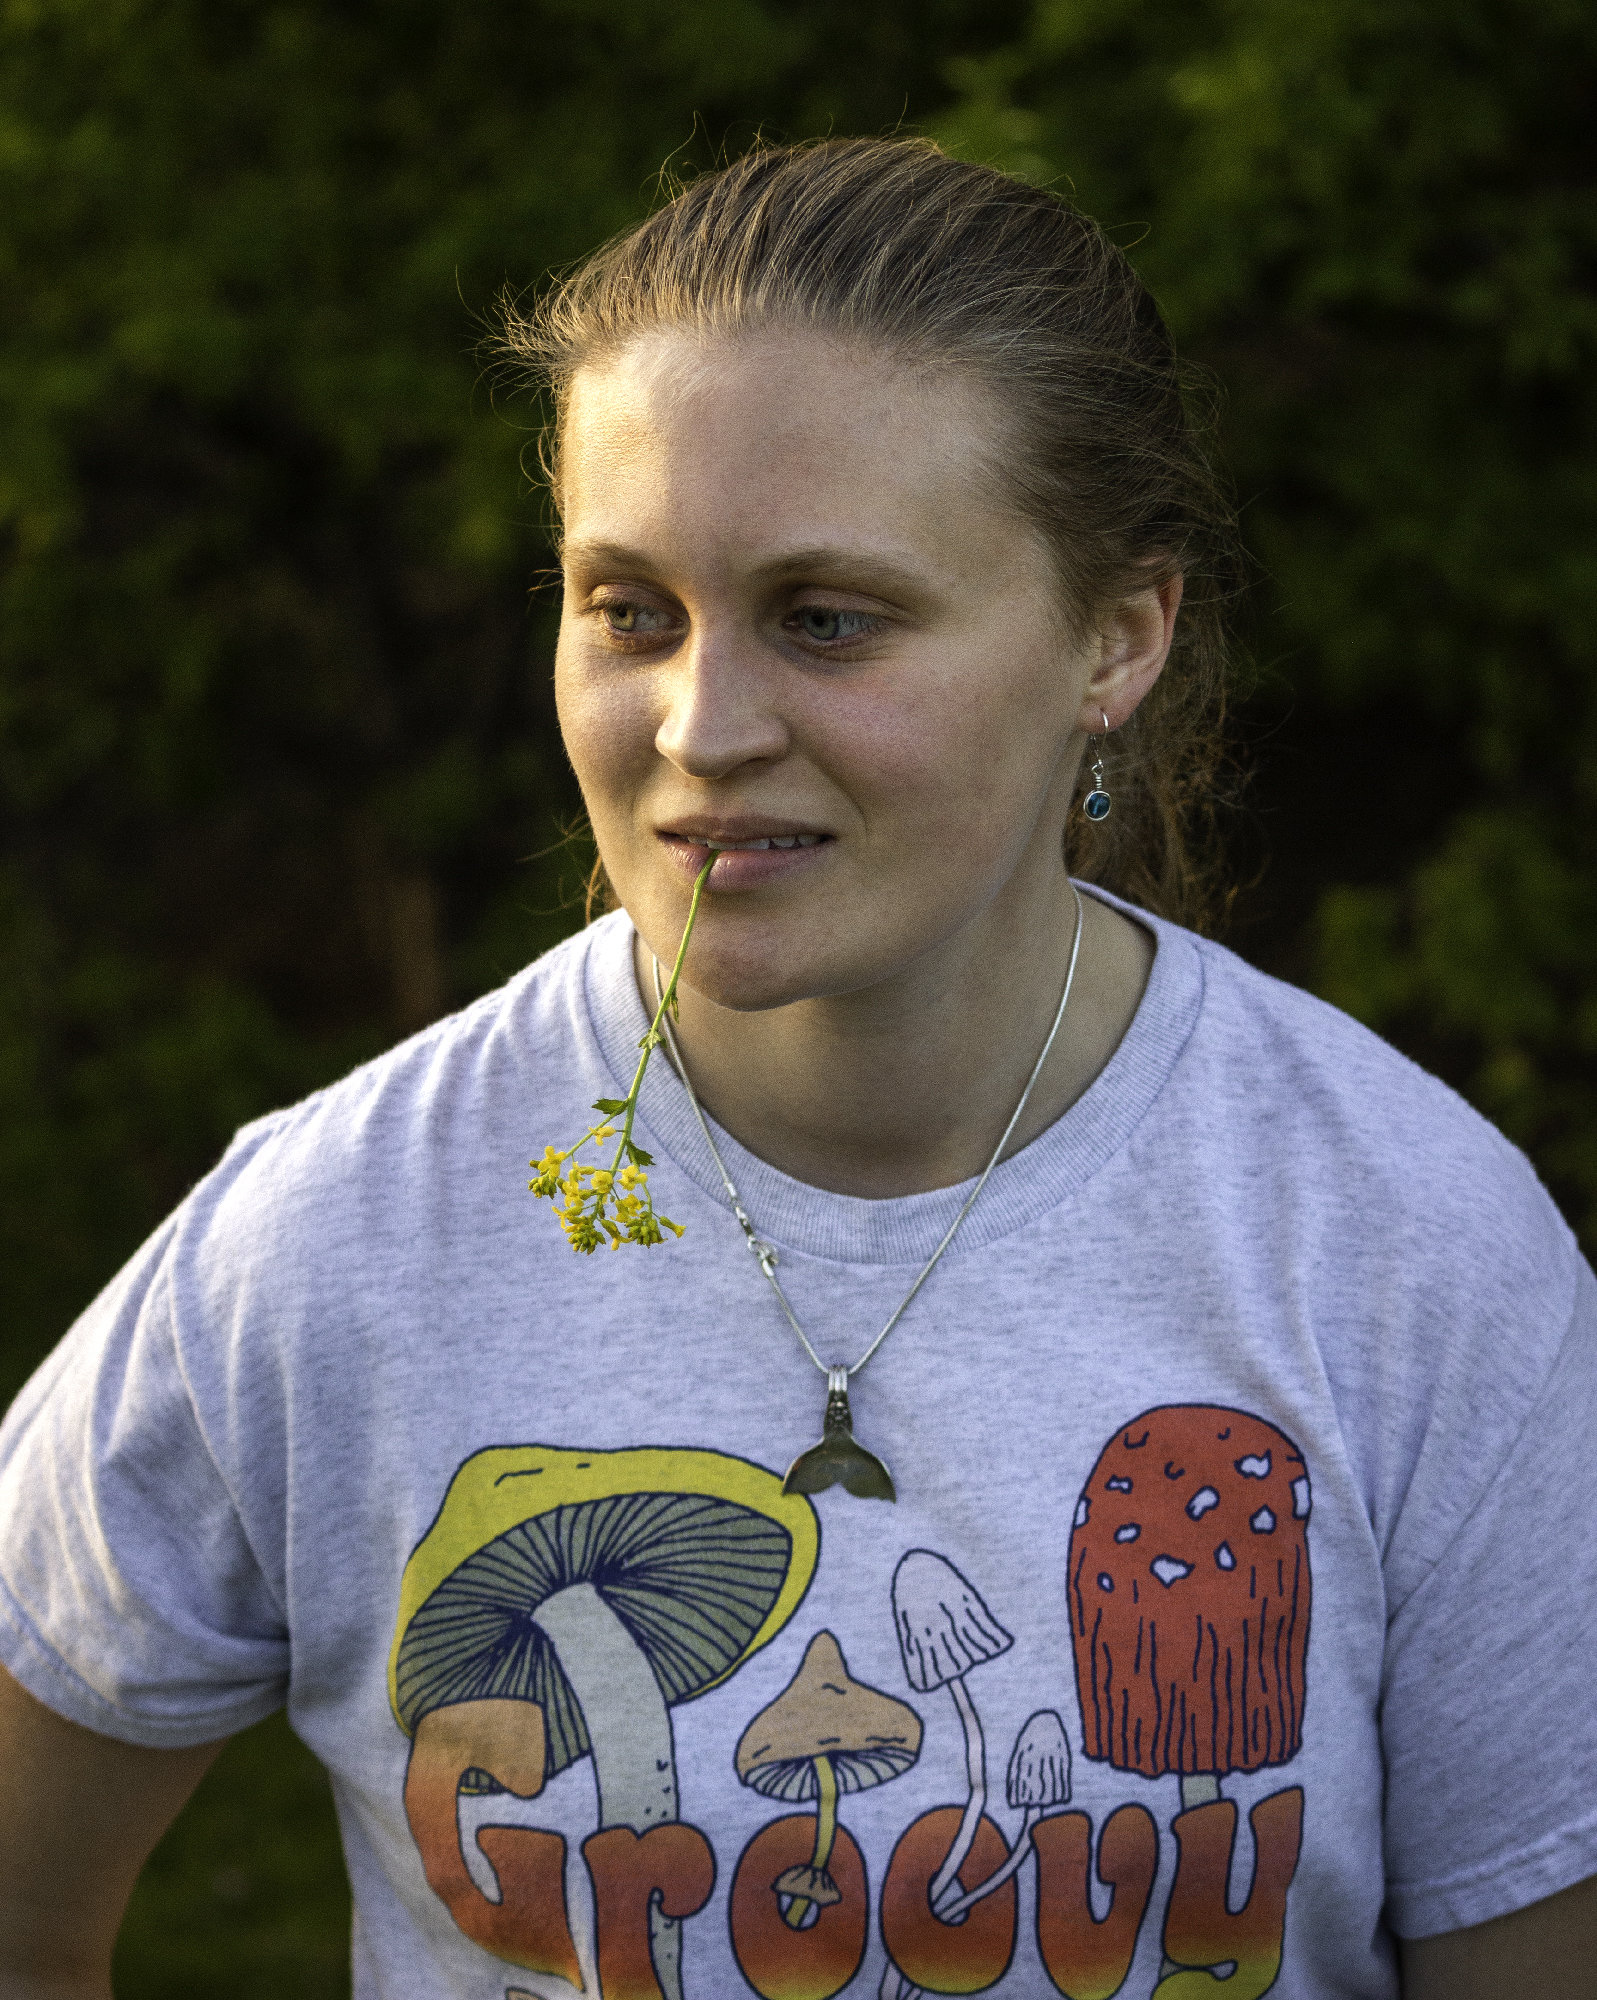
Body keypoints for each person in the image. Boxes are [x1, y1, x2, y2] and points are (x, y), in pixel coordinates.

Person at [1, 138, 1593, 2000]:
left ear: (1116, 638)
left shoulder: (1406, 1249)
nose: (698, 726)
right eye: (627, 609)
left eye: (827, 619)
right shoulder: (336, 1236)